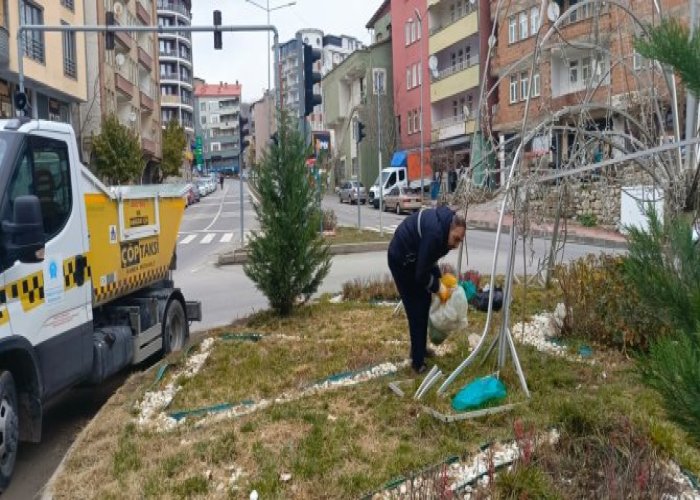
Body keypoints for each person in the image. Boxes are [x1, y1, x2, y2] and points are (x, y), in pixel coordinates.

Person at [387, 206, 467, 373]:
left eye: (460, 240)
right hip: (401, 260)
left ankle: (420, 349)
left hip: (414, 259)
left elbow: (429, 257)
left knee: (423, 302)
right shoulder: (436, 234)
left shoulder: (443, 229)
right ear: (449, 229)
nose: (457, 245)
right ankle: (417, 363)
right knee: (416, 308)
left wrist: (439, 278)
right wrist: (439, 288)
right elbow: (421, 274)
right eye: (456, 239)